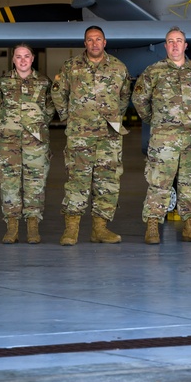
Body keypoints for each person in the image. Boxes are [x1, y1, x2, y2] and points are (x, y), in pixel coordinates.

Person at [51, 25, 132, 246]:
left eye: (98, 39)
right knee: (77, 180)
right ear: (84, 43)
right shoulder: (71, 66)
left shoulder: (118, 67)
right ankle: (71, 230)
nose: (94, 43)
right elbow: (58, 93)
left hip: (109, 135)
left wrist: (114, 117)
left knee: (108, 181)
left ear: (104, 42)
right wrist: (69, 116)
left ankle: (100, 229)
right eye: (90, 39)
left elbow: (125, 96)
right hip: (80, 134)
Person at [133, 27, 191, 244]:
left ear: (186, 45)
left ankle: (190, 226)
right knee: (159, 182)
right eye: (170, 41)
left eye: (179, 41)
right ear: (165, 46)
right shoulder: (153, 71)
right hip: (164, 138)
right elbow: (139, 100)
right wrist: (156, 121)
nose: (175, 45)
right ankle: (152, 226)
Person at [0, 44, 55, 244]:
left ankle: (33, 226)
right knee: (9, 182)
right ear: (13, 60)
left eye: (26, 56)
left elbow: (50, 109)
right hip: (7, 142)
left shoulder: (44, 83)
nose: (23, 60)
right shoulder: (1, 83)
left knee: (36, 182)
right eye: (18, 56)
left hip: (36, 142)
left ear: (32, 58)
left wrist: (36, 125)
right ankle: (12, 226)